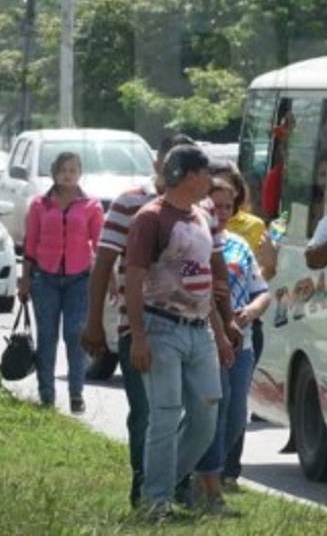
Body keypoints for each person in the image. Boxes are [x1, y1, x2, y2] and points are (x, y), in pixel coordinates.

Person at [124, 145, 232, 519]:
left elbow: (206, 280)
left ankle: (164, 486)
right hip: (161, 327)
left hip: (200, 328)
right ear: (188, 176)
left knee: (205, 418)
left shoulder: (203, 216)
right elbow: (133, 279)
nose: (211, 180)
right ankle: (155, 502)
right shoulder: (150, 218)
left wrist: (219, 334)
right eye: (205, 173)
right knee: (165, 415)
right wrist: (138, 335)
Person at [80, 133, 187, 508]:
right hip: (136, 325)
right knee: (145, 411)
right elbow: (104, 262)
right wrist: (94, 323)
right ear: (157, 163)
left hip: (189, 328)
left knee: (186, 412)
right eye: (170, 161)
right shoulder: (130, 203)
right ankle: (144, 491)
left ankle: (176, 487)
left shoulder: (199, 207)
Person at [192, 178, 272, 508]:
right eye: (216, 206)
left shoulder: (239, 245)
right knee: (214, 409)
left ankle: (212, 475)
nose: (222, 213)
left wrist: (251, 311)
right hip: (207, 340)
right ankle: (204, 482)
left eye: (228, 206)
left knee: (237, 414)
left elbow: (262, 291)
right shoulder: (193, 240)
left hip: (243, 342)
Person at [19, 151, 104, 413]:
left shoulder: (91, 205)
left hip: (79, 279)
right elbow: (30, 244)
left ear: (80, 173)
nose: (68, 175)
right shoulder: (39, 205)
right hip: (44, 278)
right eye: (63, 170)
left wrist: (108, 278)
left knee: (75, 336)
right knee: (47, 337)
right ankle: (47, 395)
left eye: (73, 170)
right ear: (54, 173)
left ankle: (76, 393)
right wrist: (25, 279)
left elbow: (100, 246)